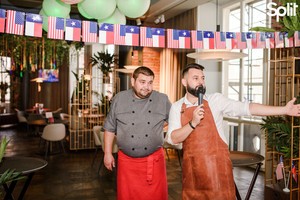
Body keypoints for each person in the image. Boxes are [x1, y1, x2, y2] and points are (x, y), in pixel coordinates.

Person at [165, 63, 300, 200]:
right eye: (195, 78)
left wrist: (283, 110)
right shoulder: (177, 107)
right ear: (184, 82)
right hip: (192, 175)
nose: (201, 82)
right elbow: (173, 138)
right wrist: (192, 123)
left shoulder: (215, 100)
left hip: (218, 173)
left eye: (203, 78)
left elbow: (247, 108)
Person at [103, 66, 171, 200]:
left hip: (154, 162)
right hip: (127, 163)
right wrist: (107, 153)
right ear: (132, 81)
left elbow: (173, 120)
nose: (147, 87)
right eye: (142, 82)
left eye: (150, 82)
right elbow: (110, 128)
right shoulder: (119, 99)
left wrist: (154, 127)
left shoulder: (162, 99)